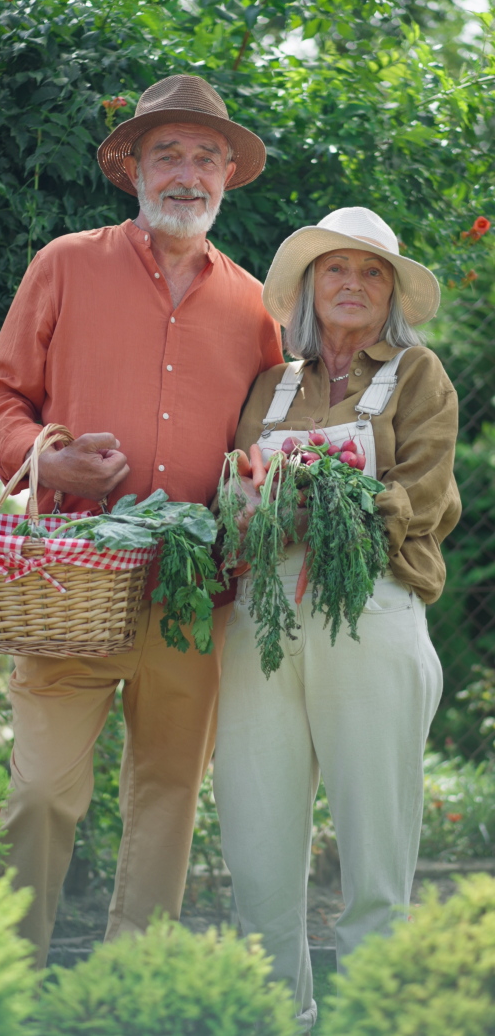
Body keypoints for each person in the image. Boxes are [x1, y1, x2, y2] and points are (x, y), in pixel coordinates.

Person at [0, 73, 283, 968]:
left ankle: (126, 986)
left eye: (205, 157)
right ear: (133, 166)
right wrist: (44, 454)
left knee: (167, 800)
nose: (187, 173)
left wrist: (256, 479)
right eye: (168, 154)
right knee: (38, 794)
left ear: (227, 174)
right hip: (69, 582)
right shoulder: (66, 263)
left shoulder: (257, 307)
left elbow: (268, 440)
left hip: (194, 599)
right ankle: (10, 981)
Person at [212, 206, 461, 1032]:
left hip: (372, 601)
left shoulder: (419, 377)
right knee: (256, 839)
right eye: (335, 270)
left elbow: (422, 492)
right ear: (310, 288)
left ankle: (367, 1018)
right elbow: (239, 487)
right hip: (263, 613)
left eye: (372, 272)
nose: (352, 284)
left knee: (374, 841)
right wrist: (248, 505)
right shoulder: (271, 384)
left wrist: (332, 500)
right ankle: (276, 1018)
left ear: (389, 292)